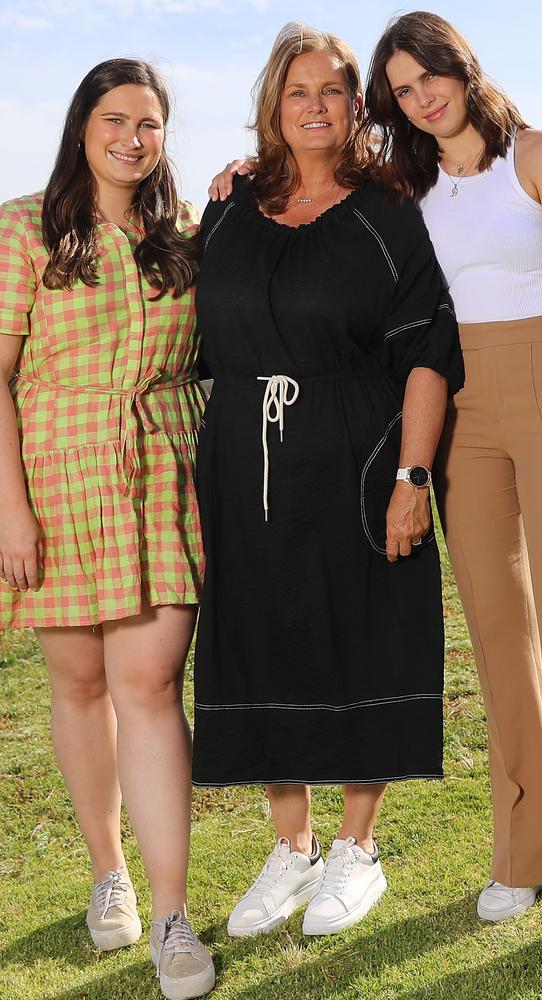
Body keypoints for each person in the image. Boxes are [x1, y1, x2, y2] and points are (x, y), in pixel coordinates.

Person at [361, 10, 542, 961]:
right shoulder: (414, 184)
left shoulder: (541, 155)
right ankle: (531, 853)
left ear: (462, 66)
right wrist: (233, 181)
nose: (421, 95)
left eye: (428, 74)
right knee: (499, 633)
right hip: (467, 409)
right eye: (401, 88)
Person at [192, 22, 463, 939]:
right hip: (242, 460)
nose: (315, 106)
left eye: (333, 91)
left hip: (361, 451)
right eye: (297, 91)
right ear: (274, 103)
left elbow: (429, 350)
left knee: (364, 633)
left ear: (358, 106)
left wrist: (413, 477)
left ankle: (358, 848)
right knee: (266, 634)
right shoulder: (225, 208)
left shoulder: (392, 210)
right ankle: (293, 847)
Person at [0, 59, 215, 999]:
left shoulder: (188, 241)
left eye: (151, 124)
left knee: (151, 681)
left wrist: (241, 190)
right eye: (115, 119)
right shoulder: (23, 230)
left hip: (162, 469)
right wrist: (10, 509)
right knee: (81, 683)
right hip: (53, 476)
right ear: (82, 125)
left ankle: (173, 915)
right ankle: (108, 873)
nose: (133, 138)